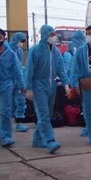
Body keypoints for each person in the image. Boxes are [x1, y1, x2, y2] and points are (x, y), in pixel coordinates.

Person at [25, 24, 70, 153]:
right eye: (51, 34)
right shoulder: (35, 51)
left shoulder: (55, 51)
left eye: (54, 34)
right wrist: (28, 88)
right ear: (45, 35)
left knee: (47, 114)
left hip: (52, 85)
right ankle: (50, 140)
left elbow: (61, 69)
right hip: (38, 85)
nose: (54, 36)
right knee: (43, 113)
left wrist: (66, 84)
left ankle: (38, 139)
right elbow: (29, 71)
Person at [8, 32, 30, 132]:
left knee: (21, 99)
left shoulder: (20, 51)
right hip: (7, 79)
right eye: (20, 41)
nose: (21, 43)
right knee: (7, 100)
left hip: (18, 78)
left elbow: (19, 65)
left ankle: (19, 120)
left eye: (23, 41)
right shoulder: (6, 49)